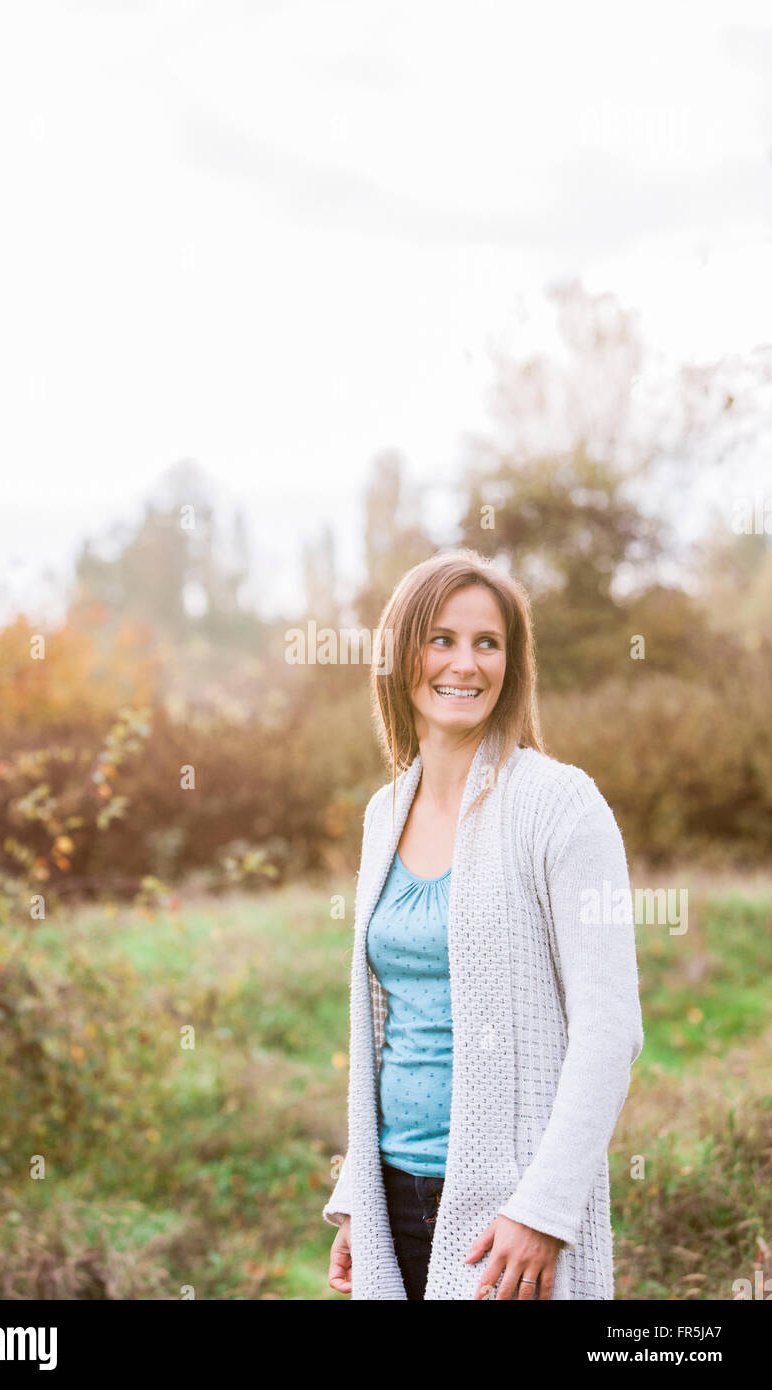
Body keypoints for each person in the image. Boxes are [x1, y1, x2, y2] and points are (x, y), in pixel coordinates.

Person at [324, 548, 644, 1300]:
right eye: (441, 639)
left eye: (487, 643)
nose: (464, 664)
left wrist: (544, 1209)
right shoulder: (384, 813)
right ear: (401, 655)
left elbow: (610, 1028)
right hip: (392, 1198)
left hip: (508, 1215)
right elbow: (385, 1027)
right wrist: (356, 1203)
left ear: (512, 663)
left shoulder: (560, 805)